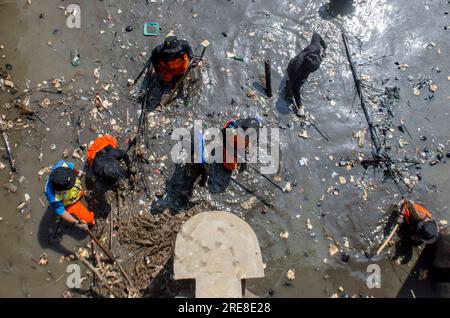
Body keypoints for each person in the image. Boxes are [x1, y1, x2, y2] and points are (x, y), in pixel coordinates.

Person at [286, 32, 327, 115]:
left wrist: (325, 46)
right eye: (312, 71)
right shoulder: (298, 68)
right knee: (293, 84)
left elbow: (316, 35)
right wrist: (300, 106)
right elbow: (295, 87)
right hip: (292, 67)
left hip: (304, 59)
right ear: (308, 70)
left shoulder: (315, 48)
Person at [45, 160, 93, 230]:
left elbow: (71, 166)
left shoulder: (61, 165)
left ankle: (82, 193)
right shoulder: (53, 197)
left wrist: (78, 172)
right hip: (69, 201)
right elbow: (61, 211)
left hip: (76, 189)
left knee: (78, 188)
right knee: (87, 219)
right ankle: (91, 220)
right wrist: (76, 223)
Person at [179, 130, 208, 202]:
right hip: (197, 155)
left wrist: (203, 181)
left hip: (198, 167)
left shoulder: (200, 158)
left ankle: (188, 199)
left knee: (183, 191)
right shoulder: (193, 134)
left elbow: (205, 170)